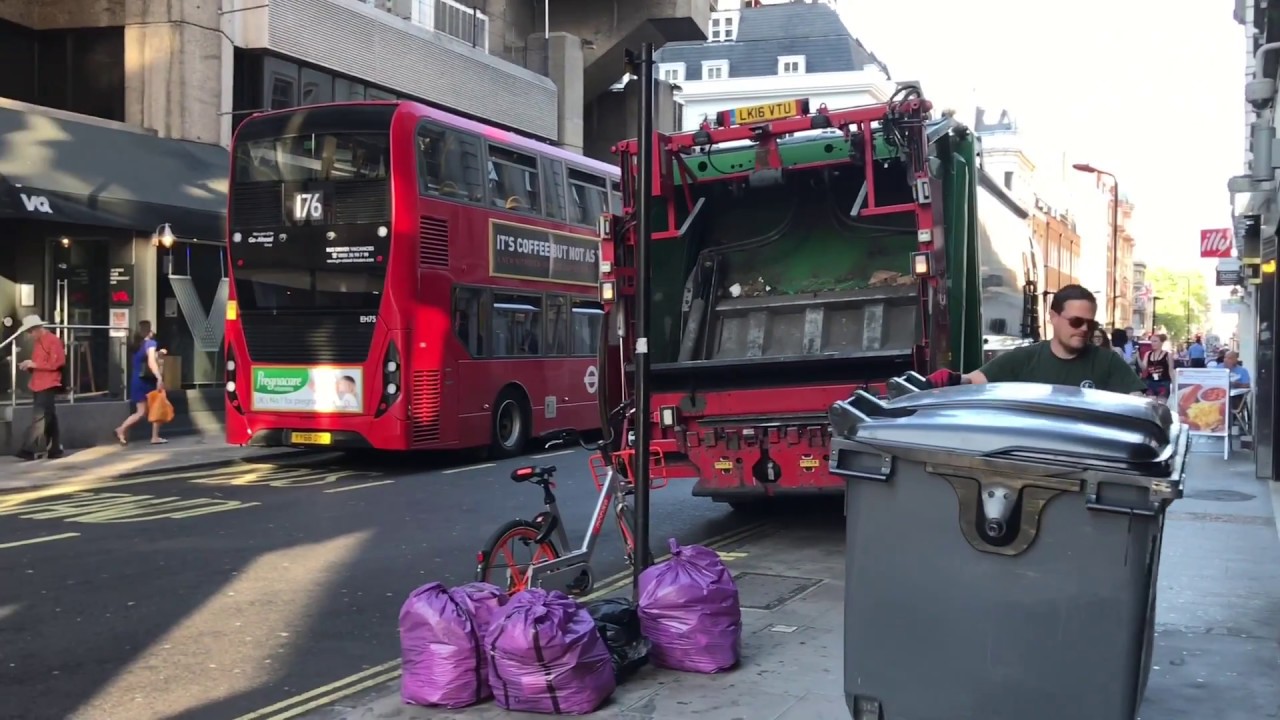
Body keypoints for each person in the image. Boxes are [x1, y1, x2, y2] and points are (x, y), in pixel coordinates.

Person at [927, 284, 1146, 395]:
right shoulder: (1024, 359)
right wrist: (950, 380)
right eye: (1076, 321)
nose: (1084, 329)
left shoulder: (1108, 363)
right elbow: (974, 380)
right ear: (1053, 317)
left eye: (1091, 323)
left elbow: (1136, 403)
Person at [16, 315, 65, 460]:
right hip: (39, 383)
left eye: (30, 331)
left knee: (40, 417)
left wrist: (33, 364)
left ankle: (27, 449)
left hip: (48, 383)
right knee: (49, 417)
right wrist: (30, 364)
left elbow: (57, 363)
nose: (30, 335)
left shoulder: (53, 341)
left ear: (37, 328)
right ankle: (54, 449)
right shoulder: (39, 341)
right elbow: (41, 362)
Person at [114, 320, 167, 445]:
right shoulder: (151, 343)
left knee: (141, 411)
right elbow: (151, 362)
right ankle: (154, 437)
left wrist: (158, 353)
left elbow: (145, 358)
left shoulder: (137, 345)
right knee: (156, 407)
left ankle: (121, 429)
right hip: (148, 380)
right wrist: (159, 377)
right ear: (149, 330)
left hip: (137, 380)